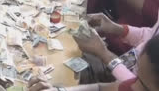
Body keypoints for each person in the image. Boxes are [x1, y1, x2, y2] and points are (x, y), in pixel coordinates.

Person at [28, 34, 159, 91]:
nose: (132, 85)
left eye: (144, 87)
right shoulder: (137, 84)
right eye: (136, 77)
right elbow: (100, 88)